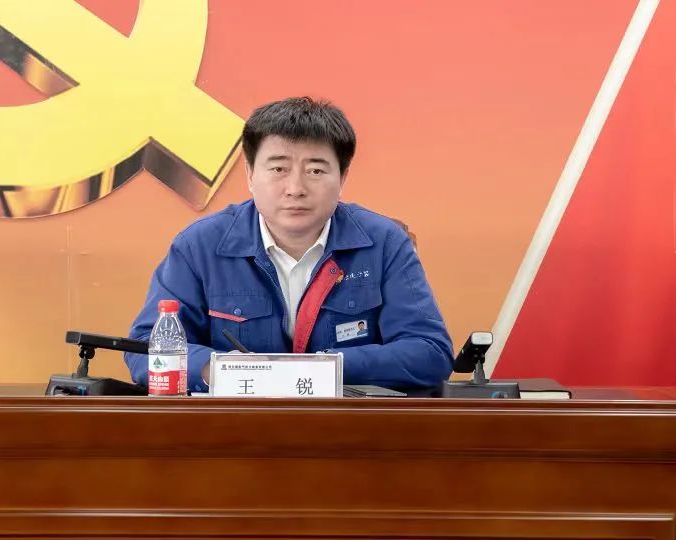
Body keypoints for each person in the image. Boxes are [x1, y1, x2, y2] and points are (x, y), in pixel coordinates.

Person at [125, 97, 453, 392]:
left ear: (343, 178)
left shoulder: (383, 243)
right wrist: (225, 371)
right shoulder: (199, 246)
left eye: (315, 170)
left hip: (349, 429)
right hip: (233, 428)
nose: (295, 188)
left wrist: (323, 369)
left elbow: (429, 352)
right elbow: (146, 350)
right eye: (279, 168)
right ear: (250, 175)